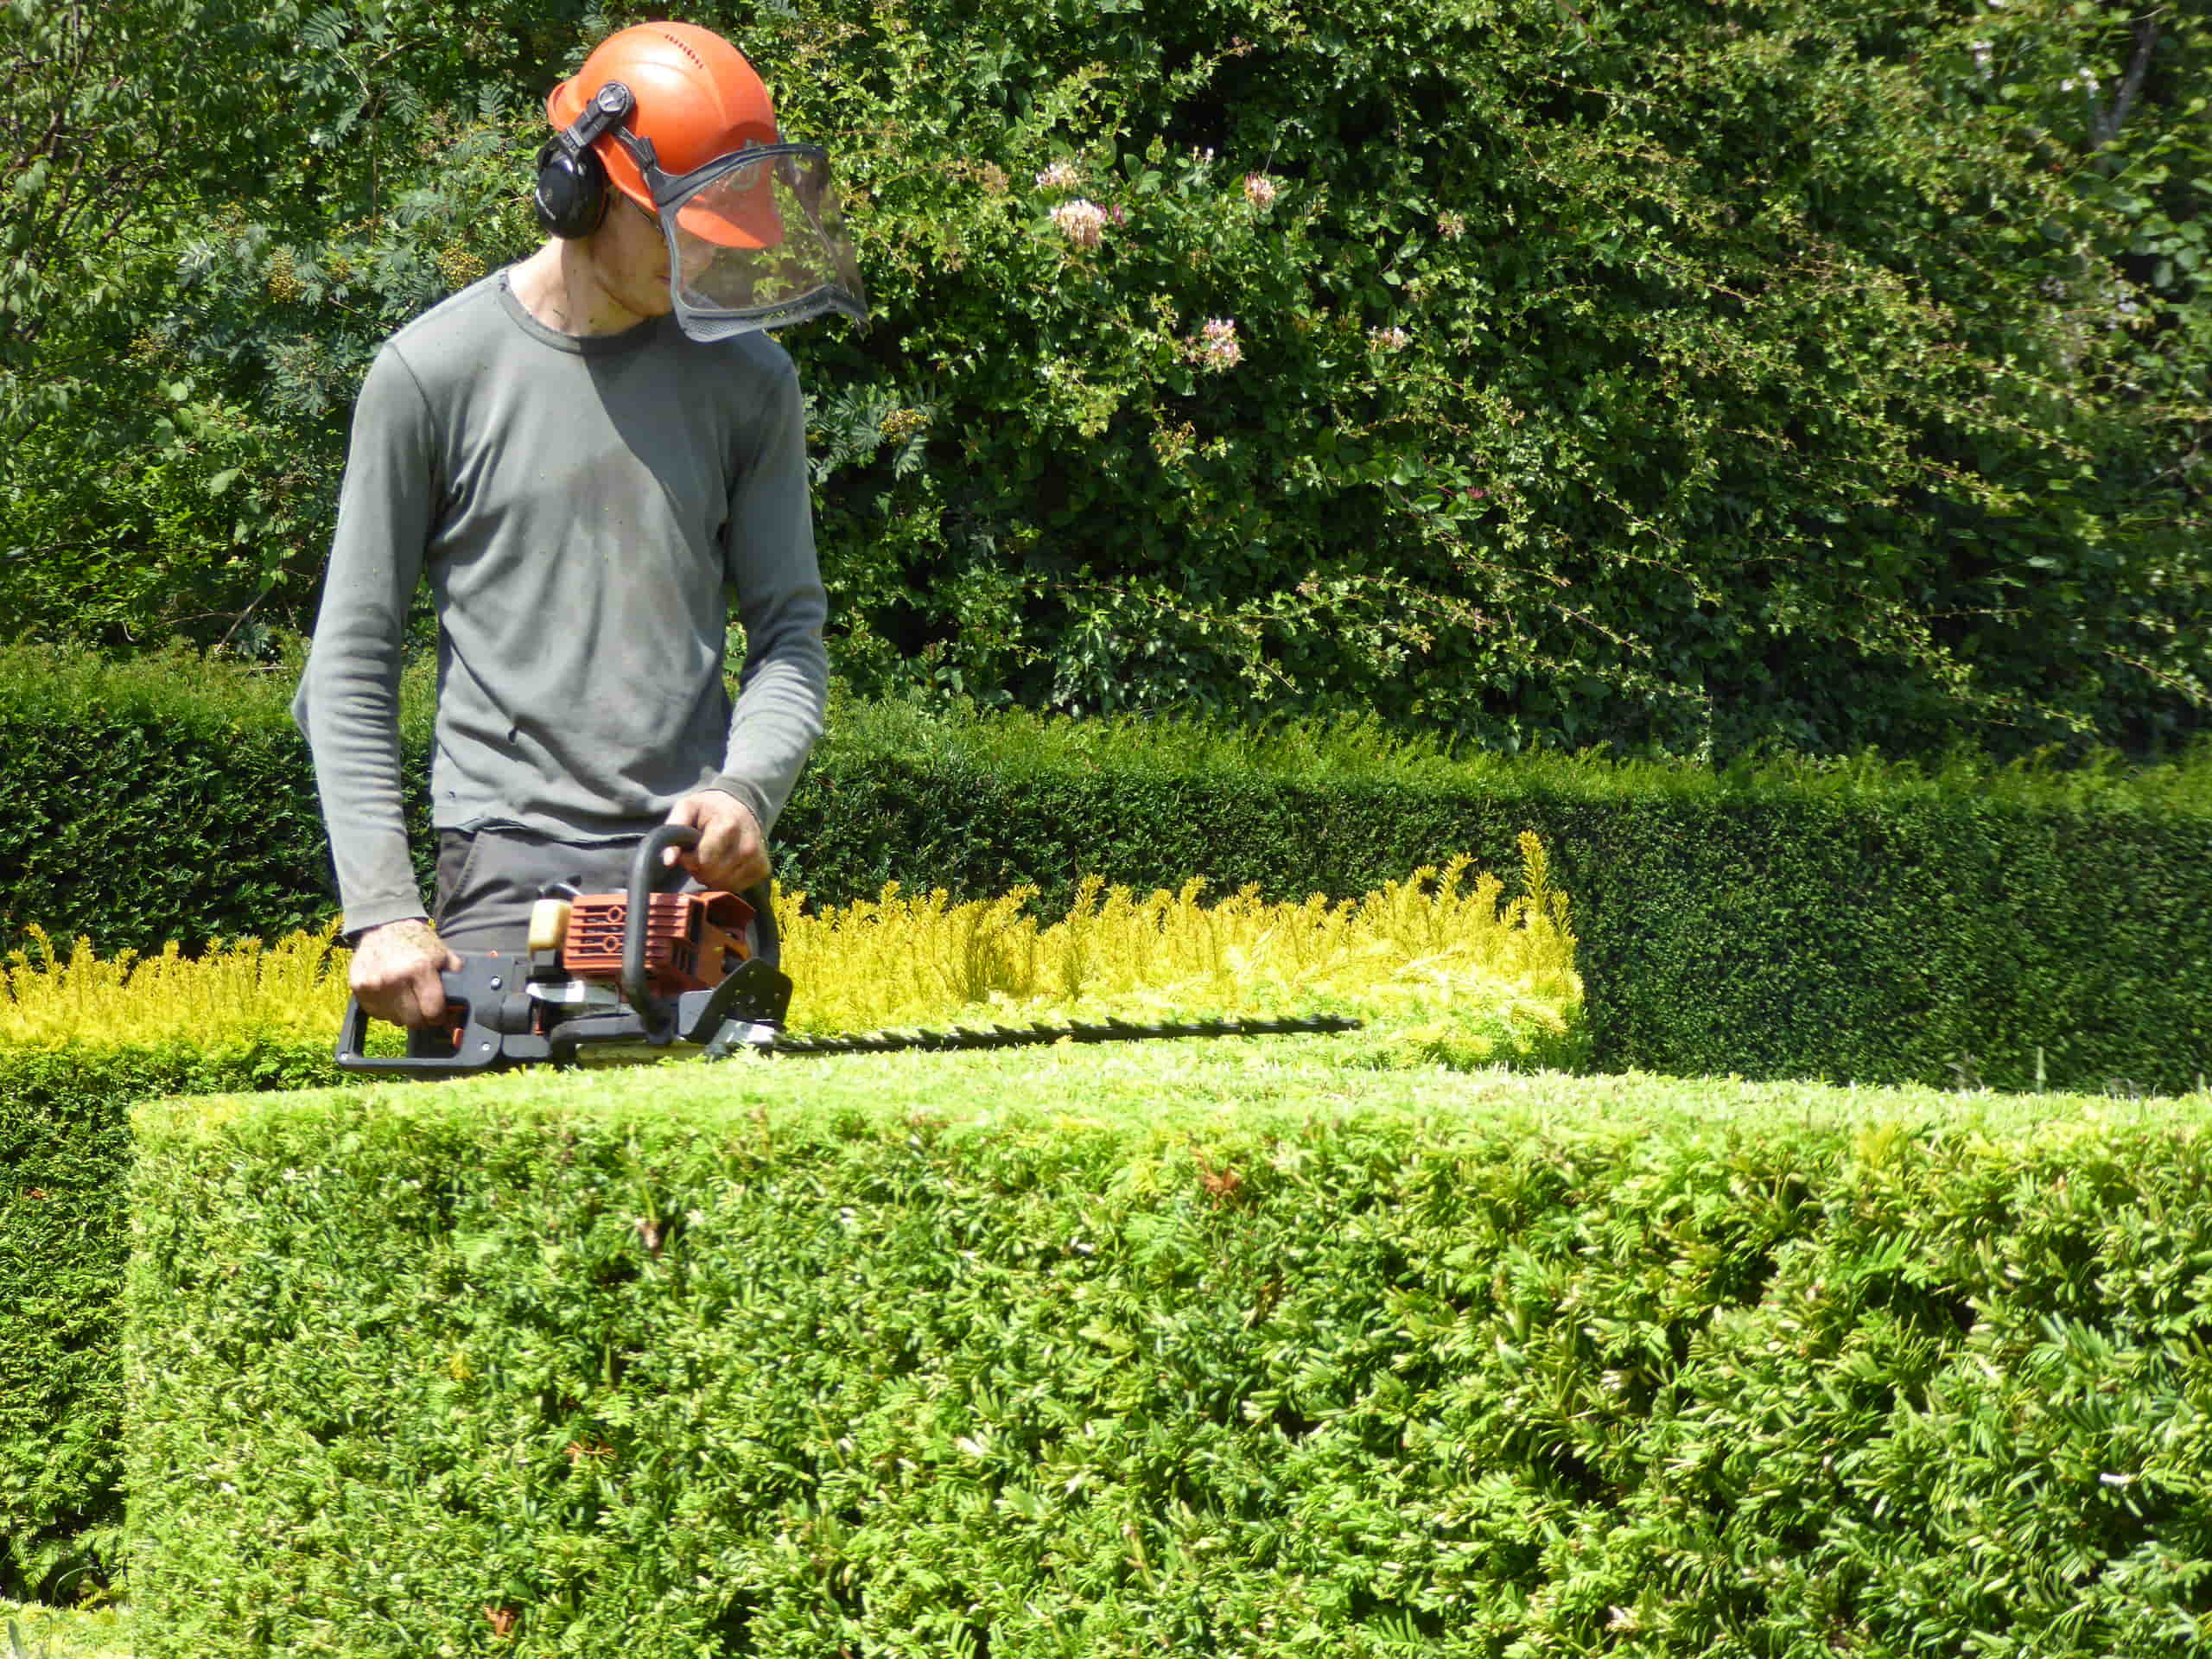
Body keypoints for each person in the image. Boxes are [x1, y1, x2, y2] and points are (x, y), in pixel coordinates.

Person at [292, 20, 868, 1030]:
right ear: (579, 186)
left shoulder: (750, 383)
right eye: (677, 220)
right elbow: (348, 660)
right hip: (505, 869)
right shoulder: (431, 375)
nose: (700, 252)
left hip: (694, 876)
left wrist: (747, 792)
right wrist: (380, 911)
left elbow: (790, 637)